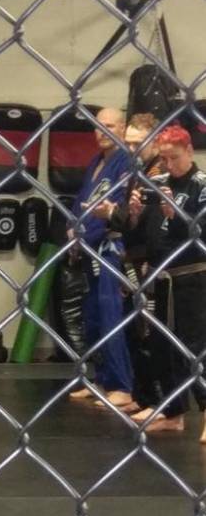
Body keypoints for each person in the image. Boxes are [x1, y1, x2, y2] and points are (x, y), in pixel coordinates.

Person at [132, 124, 206, 438]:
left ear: (189, 151)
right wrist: (134, 213)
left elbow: (199, 234)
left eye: (174, 157)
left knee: (194, 347)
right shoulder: (157, 183)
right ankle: (174, 412)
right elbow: (141, 236)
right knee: (161, 347)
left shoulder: (201, 186)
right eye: (164, 158)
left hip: (192, 277)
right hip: (162, 276)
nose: (169, 164)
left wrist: (175, 215)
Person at [98, 113, 164, 416]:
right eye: (129, 143)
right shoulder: (137, 172)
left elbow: (149, 220)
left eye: (139, 143)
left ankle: (160, 401)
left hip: (151, 260)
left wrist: (115, 214)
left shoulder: (159, 173)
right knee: (133, 330)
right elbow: (129, 216)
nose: (132, 149)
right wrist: (115, 214)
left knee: (149, 332)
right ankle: (143, 395)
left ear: (155, 141)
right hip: (132, 258)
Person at [67, 107, 133, 407]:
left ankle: (122, 385)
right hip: (89, 248)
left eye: (110, 126)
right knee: (92, 316)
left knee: (110, 315)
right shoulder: (96, 161)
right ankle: (102, 378)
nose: (102, 131)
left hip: (111, 249)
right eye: (98, 125)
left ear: (122, 129)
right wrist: (73, 230)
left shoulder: (126, 162)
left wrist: (85, 235)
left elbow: (114, 210)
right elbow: (82, 203)